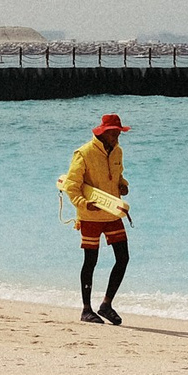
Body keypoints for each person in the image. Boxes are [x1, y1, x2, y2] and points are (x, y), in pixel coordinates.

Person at [61, 113, 132, 325]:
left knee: (123, 257)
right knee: (90, 261)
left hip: (111, 213)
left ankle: (106, 305)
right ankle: (86, 309)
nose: (118, 136)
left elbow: (118, 176)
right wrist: (83, 203)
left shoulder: (117, 151)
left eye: (119, 133)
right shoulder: (84, 153)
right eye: (115, 133)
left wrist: (123, 185)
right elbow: (71, 185)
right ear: (104, 132)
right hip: (90, 215)